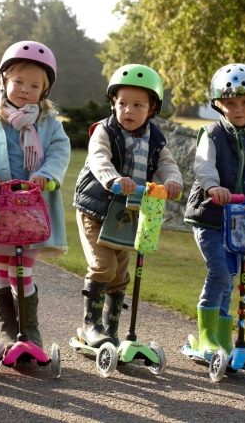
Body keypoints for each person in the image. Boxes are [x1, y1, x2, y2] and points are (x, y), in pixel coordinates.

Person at [72, 64, 183, 347]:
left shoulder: (155, 139)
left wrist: (173, 181)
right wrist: (113, 179)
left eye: (138, 105)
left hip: (127, 213)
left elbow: (167, 164)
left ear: (152, 108)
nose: (128, 110)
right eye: (122, 103)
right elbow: (98, 158)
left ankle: (110, 329)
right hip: (96, 209)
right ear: (113, 103)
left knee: (120, 273)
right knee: (103, 266)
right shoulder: (104, 131)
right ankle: (89, 325)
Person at [0, 40, 71, 348]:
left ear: (45, 91)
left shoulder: (49, 124)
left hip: (32, 209)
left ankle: (30, 331)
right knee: (2, 267)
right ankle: (9, 332)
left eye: (34, 85)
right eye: (19, 82)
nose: (25, 90)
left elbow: (59, 151)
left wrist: (46, 175)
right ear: (3, 81)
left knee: (22, 267)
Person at [183, 63, 245, 356]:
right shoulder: (211, 134)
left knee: (230, 280)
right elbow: (203, 164)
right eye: (231, 103)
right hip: (210, 216)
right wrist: (213, 187)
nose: (238, 109)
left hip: (239, 220)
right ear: (219, 104)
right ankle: (206, 337)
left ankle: (222, 336)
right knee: (220, 273)